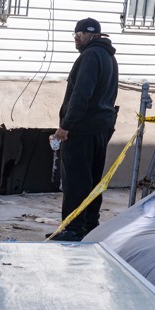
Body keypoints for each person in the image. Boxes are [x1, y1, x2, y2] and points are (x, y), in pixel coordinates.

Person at [49, 17, 119, 242]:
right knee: (92, 180)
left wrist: (65, 126)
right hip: (101, 128)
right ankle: (90, 226)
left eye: (80, 34)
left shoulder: (90, 56)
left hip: (82, 129)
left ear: (93, 35)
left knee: (76, 181)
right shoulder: (109, 56)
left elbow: (81, 95)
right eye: (75, 34)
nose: (76, 38)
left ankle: (72, 228)